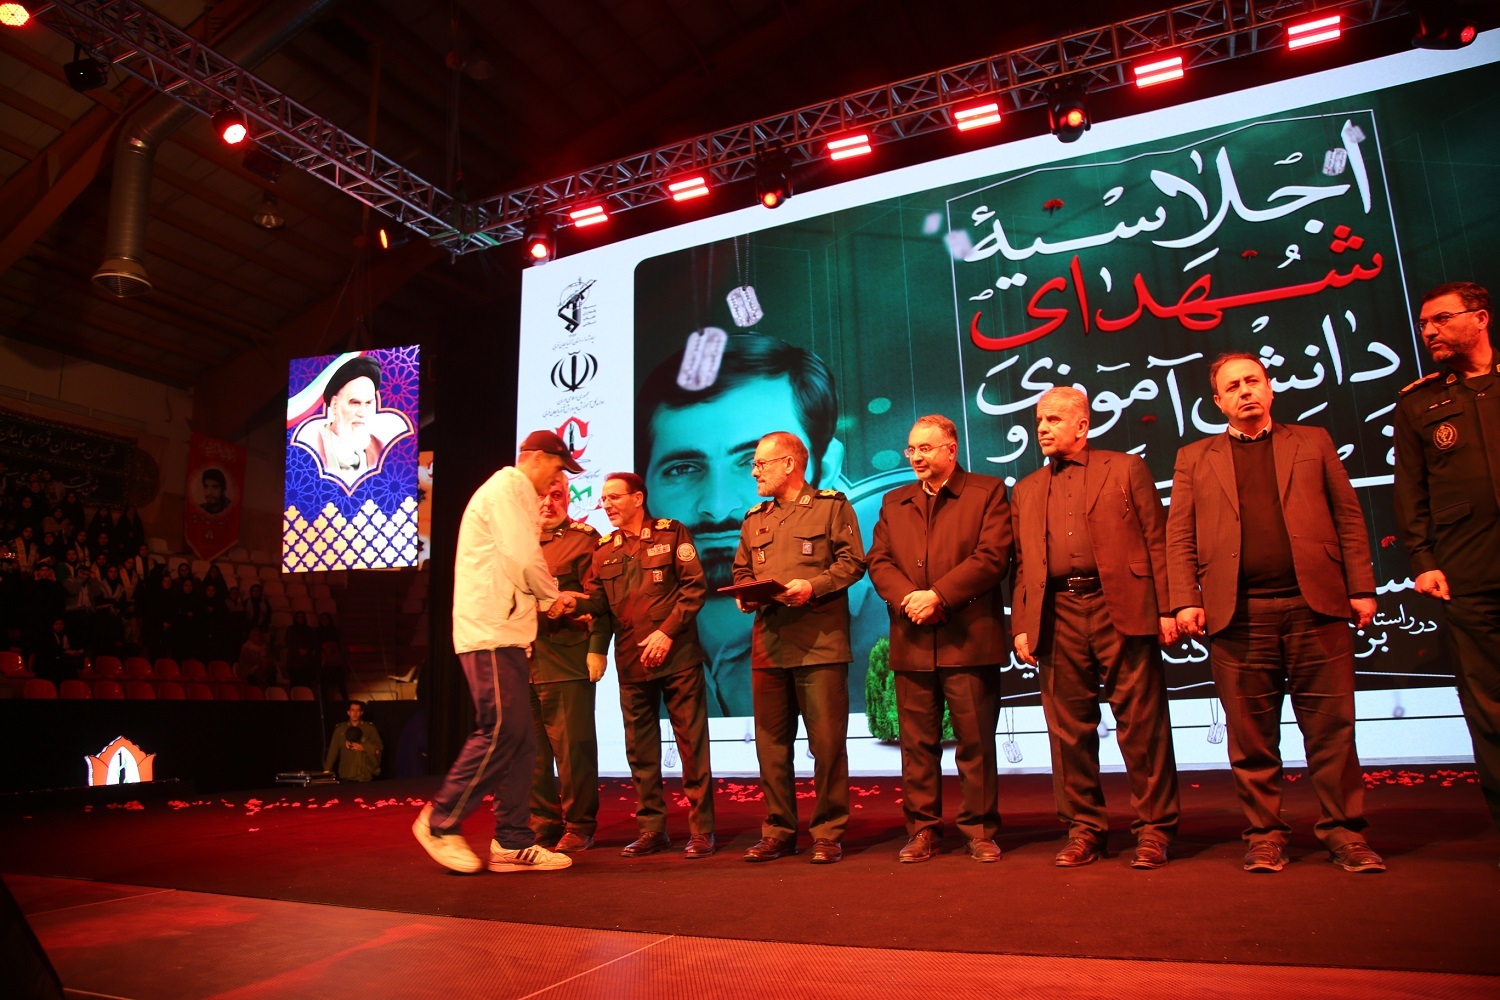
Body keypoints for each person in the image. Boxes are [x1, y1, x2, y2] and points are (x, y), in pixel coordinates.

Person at [1166, 352, 1384, 874]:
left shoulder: (1313, 442)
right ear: (1218, 402)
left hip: (1317, 609)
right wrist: (1185, 598)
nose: (1245, 391)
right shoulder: (1194, 457)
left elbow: (1349, 518)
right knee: (1251, 738)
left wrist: (1361, 587)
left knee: (1332, 733)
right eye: (1232, 387)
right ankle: (1264, 836)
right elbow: (1180, 535)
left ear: (1270, 388)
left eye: (1252, 381)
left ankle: (1346, 835)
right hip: (1238, 616)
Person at [637, 333, 861, 717]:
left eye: (752, 462)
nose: (717, 506)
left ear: (825, 468)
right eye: (683, 468)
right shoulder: (644, 649)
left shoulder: (878, 639)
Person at [1011, 388, 1181, 869]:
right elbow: (1023, 564)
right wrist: (1022, 624)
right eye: (1039, 420)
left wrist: (1168, 608)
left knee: (1142, 724)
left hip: (1120, 605)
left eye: (1053, 419)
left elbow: (1157, 539)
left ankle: (1154, 830)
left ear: (1082, 426)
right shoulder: (1026, 489)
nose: (1042, 428)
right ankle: (1084, 830)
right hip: (1056, 612)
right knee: (1068, 732)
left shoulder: (1125, 468)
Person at [411, 430, 580, 874]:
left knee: (521, 740)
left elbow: (513, 563)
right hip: (490, 632)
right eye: (557, 468)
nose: (557, 480)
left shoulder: (514, 494)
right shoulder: (509, 488)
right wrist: (552, 597)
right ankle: (440, 821)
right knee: (502, 729)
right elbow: (522, 559)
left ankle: (512, 841)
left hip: (506, 633)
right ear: (537, 458)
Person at [866, 414, 1012, 863]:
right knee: (916, 746)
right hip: (911, 637)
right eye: (911, 449)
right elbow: (879, 561)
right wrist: (909, 598)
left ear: (951, 449)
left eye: (925, 448)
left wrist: (939, 596)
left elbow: (992, 557)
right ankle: (923, 830)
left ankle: (979, 831)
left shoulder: (987, 491)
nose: (916, 457)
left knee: (975, 742)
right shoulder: (895, 501)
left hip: (969, 638)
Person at [1394, 281, 1500, 844]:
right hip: (1467, 572)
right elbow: (1409, 493)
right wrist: (1422, 558)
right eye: (1423, 323)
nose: (1429, 331)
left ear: (1479, 318)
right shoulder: (1419, 402)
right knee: (1488, 708)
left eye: (1441, 319)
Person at [731, 431, 866, 864]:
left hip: (820, 644)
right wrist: (743, 593)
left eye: (761, 463)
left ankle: (827, 833)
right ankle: (778, 832)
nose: (754, 471)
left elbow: (853, 563)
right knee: (771, 745)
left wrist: (812, 586)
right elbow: (741, 570)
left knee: (827, 745)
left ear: (789, 464)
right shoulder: (755, 518)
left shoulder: (831, 506)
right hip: (769, 646)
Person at [573, 472, 716, 859]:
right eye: (603, 499)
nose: (607, 504)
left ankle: (702, 830)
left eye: (614, 497)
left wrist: (666, 633)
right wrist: (571, 604)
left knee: (692, 746)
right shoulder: (604, 550)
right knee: (640, 750)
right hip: (632, 661)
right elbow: (597, 605)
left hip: (677, 655)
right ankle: (652, 829)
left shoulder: (672, 533)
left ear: (638, 498)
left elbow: (693, 589)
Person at [528, 475, 608, 853]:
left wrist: (597, 648)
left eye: (556, 495)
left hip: (564, 658)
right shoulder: (515, 540)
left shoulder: (584, 540)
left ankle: (579, 825)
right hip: (519, 659)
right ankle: (542, 824)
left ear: (568, 499)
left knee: (573, 751)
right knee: (531, 752)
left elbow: (600, 601)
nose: (548, 502)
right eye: (540, 496)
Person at [292, 355, 413, 490]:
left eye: (368, 403)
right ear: (335, 404)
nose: (362, 412)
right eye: (355, 403)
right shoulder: (310, 445)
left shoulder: (381, 450)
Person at [324, 700, 383, 781]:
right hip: (346, 774)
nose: (355, 713)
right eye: (352, 710)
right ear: (348, 712)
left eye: (358, 710)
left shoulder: (369, 729)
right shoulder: (340, 729)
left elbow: (379, 747)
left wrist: (364, 747)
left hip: (364, 775)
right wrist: (327, 771)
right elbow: (333, 751)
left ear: (361, 713)